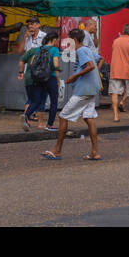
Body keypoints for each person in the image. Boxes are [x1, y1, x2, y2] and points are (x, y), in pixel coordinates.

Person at [43, 28, 102, 161]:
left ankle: (57, 150)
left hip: (83, 90)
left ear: (75, 40)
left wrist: (74, 77)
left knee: (63, 116)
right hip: (91, 89)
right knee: (89, 118)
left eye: (70, 40)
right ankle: (95, 152)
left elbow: (91, 66)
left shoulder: (81, 50)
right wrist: (95, 77)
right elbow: (100, 59)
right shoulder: (87, 49)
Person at [22, 30, 61, 130]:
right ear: (54, 39)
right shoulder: (54, 50)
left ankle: (26, 115)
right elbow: (56, 64)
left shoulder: (39, 49)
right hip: (50, 77)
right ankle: (50, 125)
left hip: (39, 78)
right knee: (54, 101)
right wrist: (58, 78)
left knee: (37, 100)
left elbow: (31, 63)